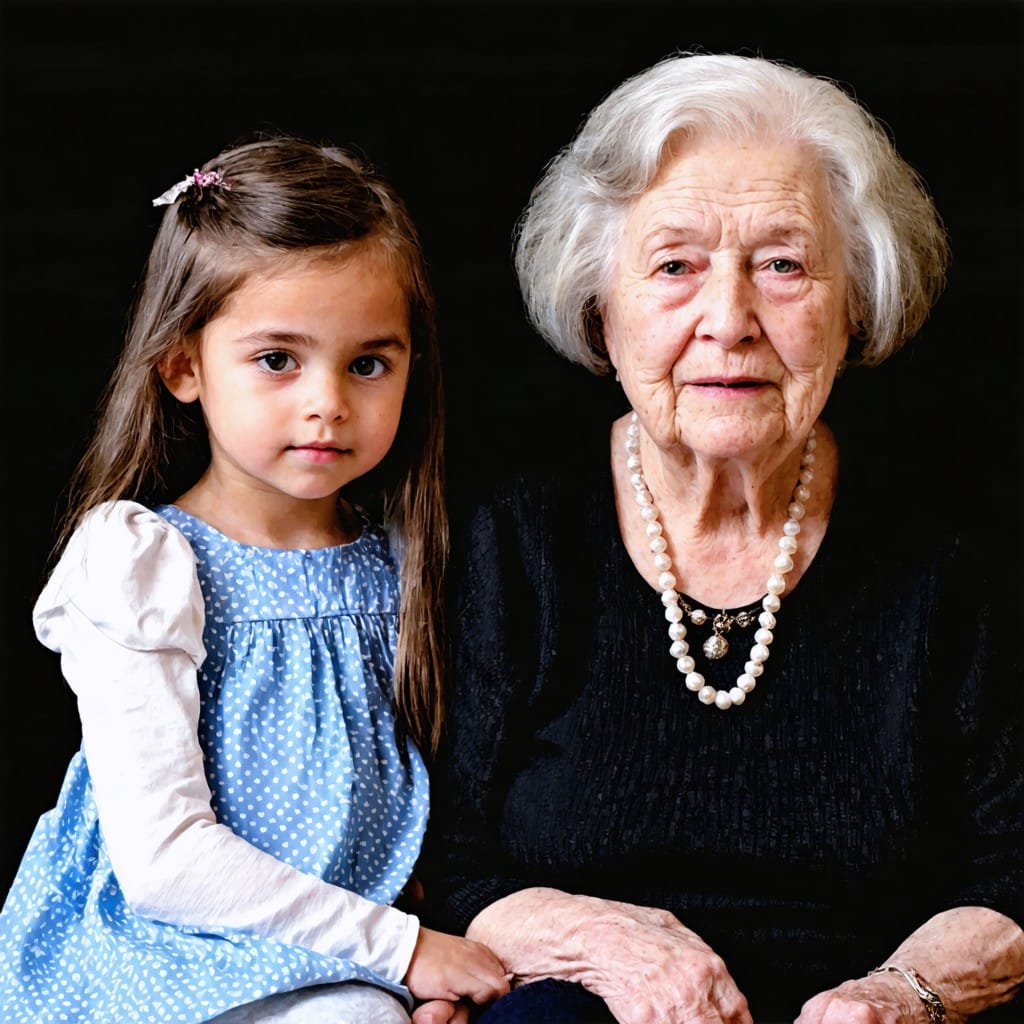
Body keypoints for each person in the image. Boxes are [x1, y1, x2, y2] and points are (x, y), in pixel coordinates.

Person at [417, 51, 1024, 1024]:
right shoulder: (517, 547)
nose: (728, 320)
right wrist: (616, 952)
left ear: (854, 299)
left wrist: (895, 996)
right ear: (600, 305)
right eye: (674, 266)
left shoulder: (951, 561)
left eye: (783, 264)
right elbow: (445, 864)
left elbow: (1012, 878)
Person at [0, 135, 510, 1024]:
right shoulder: (143, 563)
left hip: (349, 956)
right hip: (170, 954)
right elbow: (165, 860)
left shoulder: (404, 557)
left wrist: (423, 947)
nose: (328, 402)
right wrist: (405, 952)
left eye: (367, 363)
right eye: (278, 359)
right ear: (184, 365)